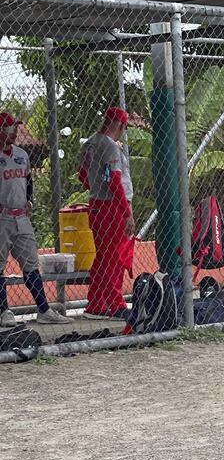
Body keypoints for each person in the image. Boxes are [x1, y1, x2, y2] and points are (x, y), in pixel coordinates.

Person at [0, 112, 69, 326]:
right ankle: (4, 311)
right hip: (2, 218)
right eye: (9, 127)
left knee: (30, 263)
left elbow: (28, 180)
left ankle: (44, 310)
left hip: (21, 216)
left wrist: (30, 200)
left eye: (14, 127)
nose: (14, 131)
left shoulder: (21, 154)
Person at [78, 107, 134, 320]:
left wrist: (95, 185)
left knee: (103, 256)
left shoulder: (89, 143)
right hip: (112, 206)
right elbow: (114, 181)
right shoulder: (110, 147)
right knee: (114, 257)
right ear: (119, 125)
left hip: (96, 203)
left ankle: (96, 303)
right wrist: (126, 212)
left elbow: (83, 175)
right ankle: (115, 303)